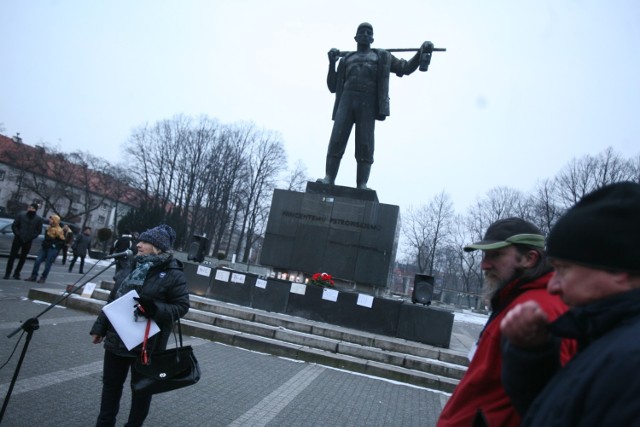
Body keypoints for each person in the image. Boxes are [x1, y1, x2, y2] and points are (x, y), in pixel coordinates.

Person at [500, 182, 640, 426]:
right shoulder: (608, 344)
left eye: (563, 270)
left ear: (620, 270)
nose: (553, 286)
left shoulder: (629, 362)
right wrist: (532, 355)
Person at [437, 217, 576, 427]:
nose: (484, 265)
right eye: (485, 255)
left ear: (529, 258)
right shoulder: (515, 301)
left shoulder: (541, 310)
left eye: (496, 255)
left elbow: (555, 402)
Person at [90, 224, 190, 427]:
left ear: (158, 247)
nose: (138, 245)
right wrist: (100, 327)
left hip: (147, 346)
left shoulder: (173, 273)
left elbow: (181, 307)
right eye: (140, 241)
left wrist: (154, 309)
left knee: (142, 390)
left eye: (144, 242)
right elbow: (113, 298)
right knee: (110, 386)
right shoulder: (130, 266)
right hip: (116, 338)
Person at [316, 22, 434, 190]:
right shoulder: (346, 59)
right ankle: (329, 177)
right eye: (361, 31)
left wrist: (420, 52)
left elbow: (405, 67)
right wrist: (331, 63)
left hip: (368, 100)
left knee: (365, 143)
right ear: (355, 37)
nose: (365, 34)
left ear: (372, 38)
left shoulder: (381, 57)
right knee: (337, 138)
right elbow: (332, 86)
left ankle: (362, 184)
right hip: (347, 99)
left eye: (368, 32)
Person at [4, 201, 44, 280]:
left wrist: (31, 237)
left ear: (35, 210)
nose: (30, 209)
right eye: (29, 207)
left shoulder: (38, 219)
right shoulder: (21, 215)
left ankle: (17, 273)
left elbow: (38, 230)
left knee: (23, 258)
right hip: (18, 238)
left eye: (32, 208)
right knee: (12, 256)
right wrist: (17, 234)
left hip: (28, 240)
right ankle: (7, 273)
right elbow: (15, 225)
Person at [25, 214, 65, 284]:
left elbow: (61, 241)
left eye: (51, 219)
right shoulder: (48, 228)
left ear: (55, 220)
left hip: (52, 249)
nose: (50, 220)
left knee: (48, 264)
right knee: (37, 261)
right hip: (45, 247)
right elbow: (46, 237)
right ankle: (34, 275)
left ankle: (43, 277)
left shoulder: (59, 230)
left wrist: (54, 245)